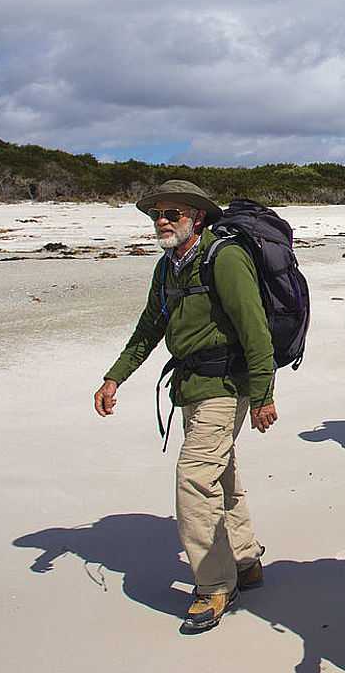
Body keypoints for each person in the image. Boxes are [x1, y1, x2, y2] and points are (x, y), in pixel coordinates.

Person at [94, 180, 276, 633]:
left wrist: (264, 395)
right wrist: (114, 376)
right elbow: (148, 329)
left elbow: (255, 329)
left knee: (193, 478)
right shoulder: (167, 267)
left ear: (196, 217)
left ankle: (215, 584)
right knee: (221, 472)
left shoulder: (224, 258)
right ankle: (246, 560)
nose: (161, 221)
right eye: (157, 213)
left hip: (225, 386)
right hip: (190, 387)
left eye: (172, 214)